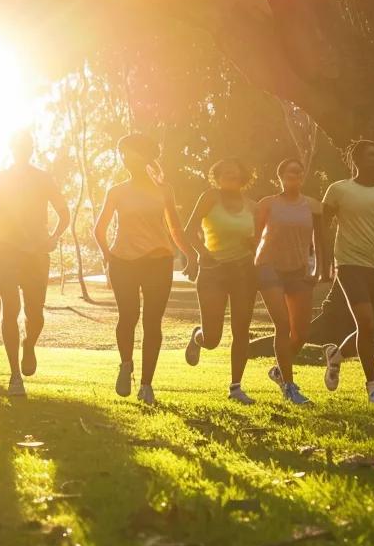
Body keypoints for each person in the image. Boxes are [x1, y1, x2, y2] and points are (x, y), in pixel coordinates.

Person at [93, 133, 193, 405]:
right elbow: (99, 230)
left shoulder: (163, 190)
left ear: (146, 155)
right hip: (123, 262)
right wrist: (107, 257)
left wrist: (191, 255)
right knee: (128, 317)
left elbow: (175, 228)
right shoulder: (116, 191)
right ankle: (126, 365)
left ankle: (147, 385)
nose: (127, 158)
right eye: (123, 153)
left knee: (152, 322)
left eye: (131, 152)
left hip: (158, 261)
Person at [0, 131, 69, 396]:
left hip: (36, 254)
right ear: (11, 148)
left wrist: (53, 237)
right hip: (7, 252)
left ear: (32, 149)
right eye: (18, 145)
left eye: (27, 146)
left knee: (36, 315)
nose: (23, 150)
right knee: (10, 309)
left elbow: (63, 212)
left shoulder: (43, 178)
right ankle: (15, 376)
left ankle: (29, 343)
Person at [320, 140, 374, 403]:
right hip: (349, 264)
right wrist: (323, 264)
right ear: (356, 161)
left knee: (369, 325)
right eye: (371, 156)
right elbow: (321, 226)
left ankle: (336, 355)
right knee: (366, 323)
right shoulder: (338, 190)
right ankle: (372, 386)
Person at [181, 159, 259, 405]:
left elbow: (261, 238)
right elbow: (188, 230)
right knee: (213, 339)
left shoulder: (253, 206)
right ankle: (199, 337)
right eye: (224, 174)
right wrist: (201, 254)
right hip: (213, 270)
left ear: (243, 178)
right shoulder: (209, 198)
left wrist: (254, 244)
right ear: (217, 177)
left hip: (244, 272)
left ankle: (236, 387)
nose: (230, 177)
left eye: (235, 174)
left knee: (241, 330)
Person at [253, 158, 327, 405]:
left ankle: (278, 370)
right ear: (281, 176)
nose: (295, 175)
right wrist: (247, 269)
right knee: (282, 325)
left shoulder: (314, 206)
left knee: (301, 332)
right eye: (289, 172)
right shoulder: (268, 204)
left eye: (299, 171)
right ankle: (289, 386)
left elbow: (320, 240)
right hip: (268, 267)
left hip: (299, 270)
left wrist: (320, 269)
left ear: (303, 176)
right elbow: (254, 237)